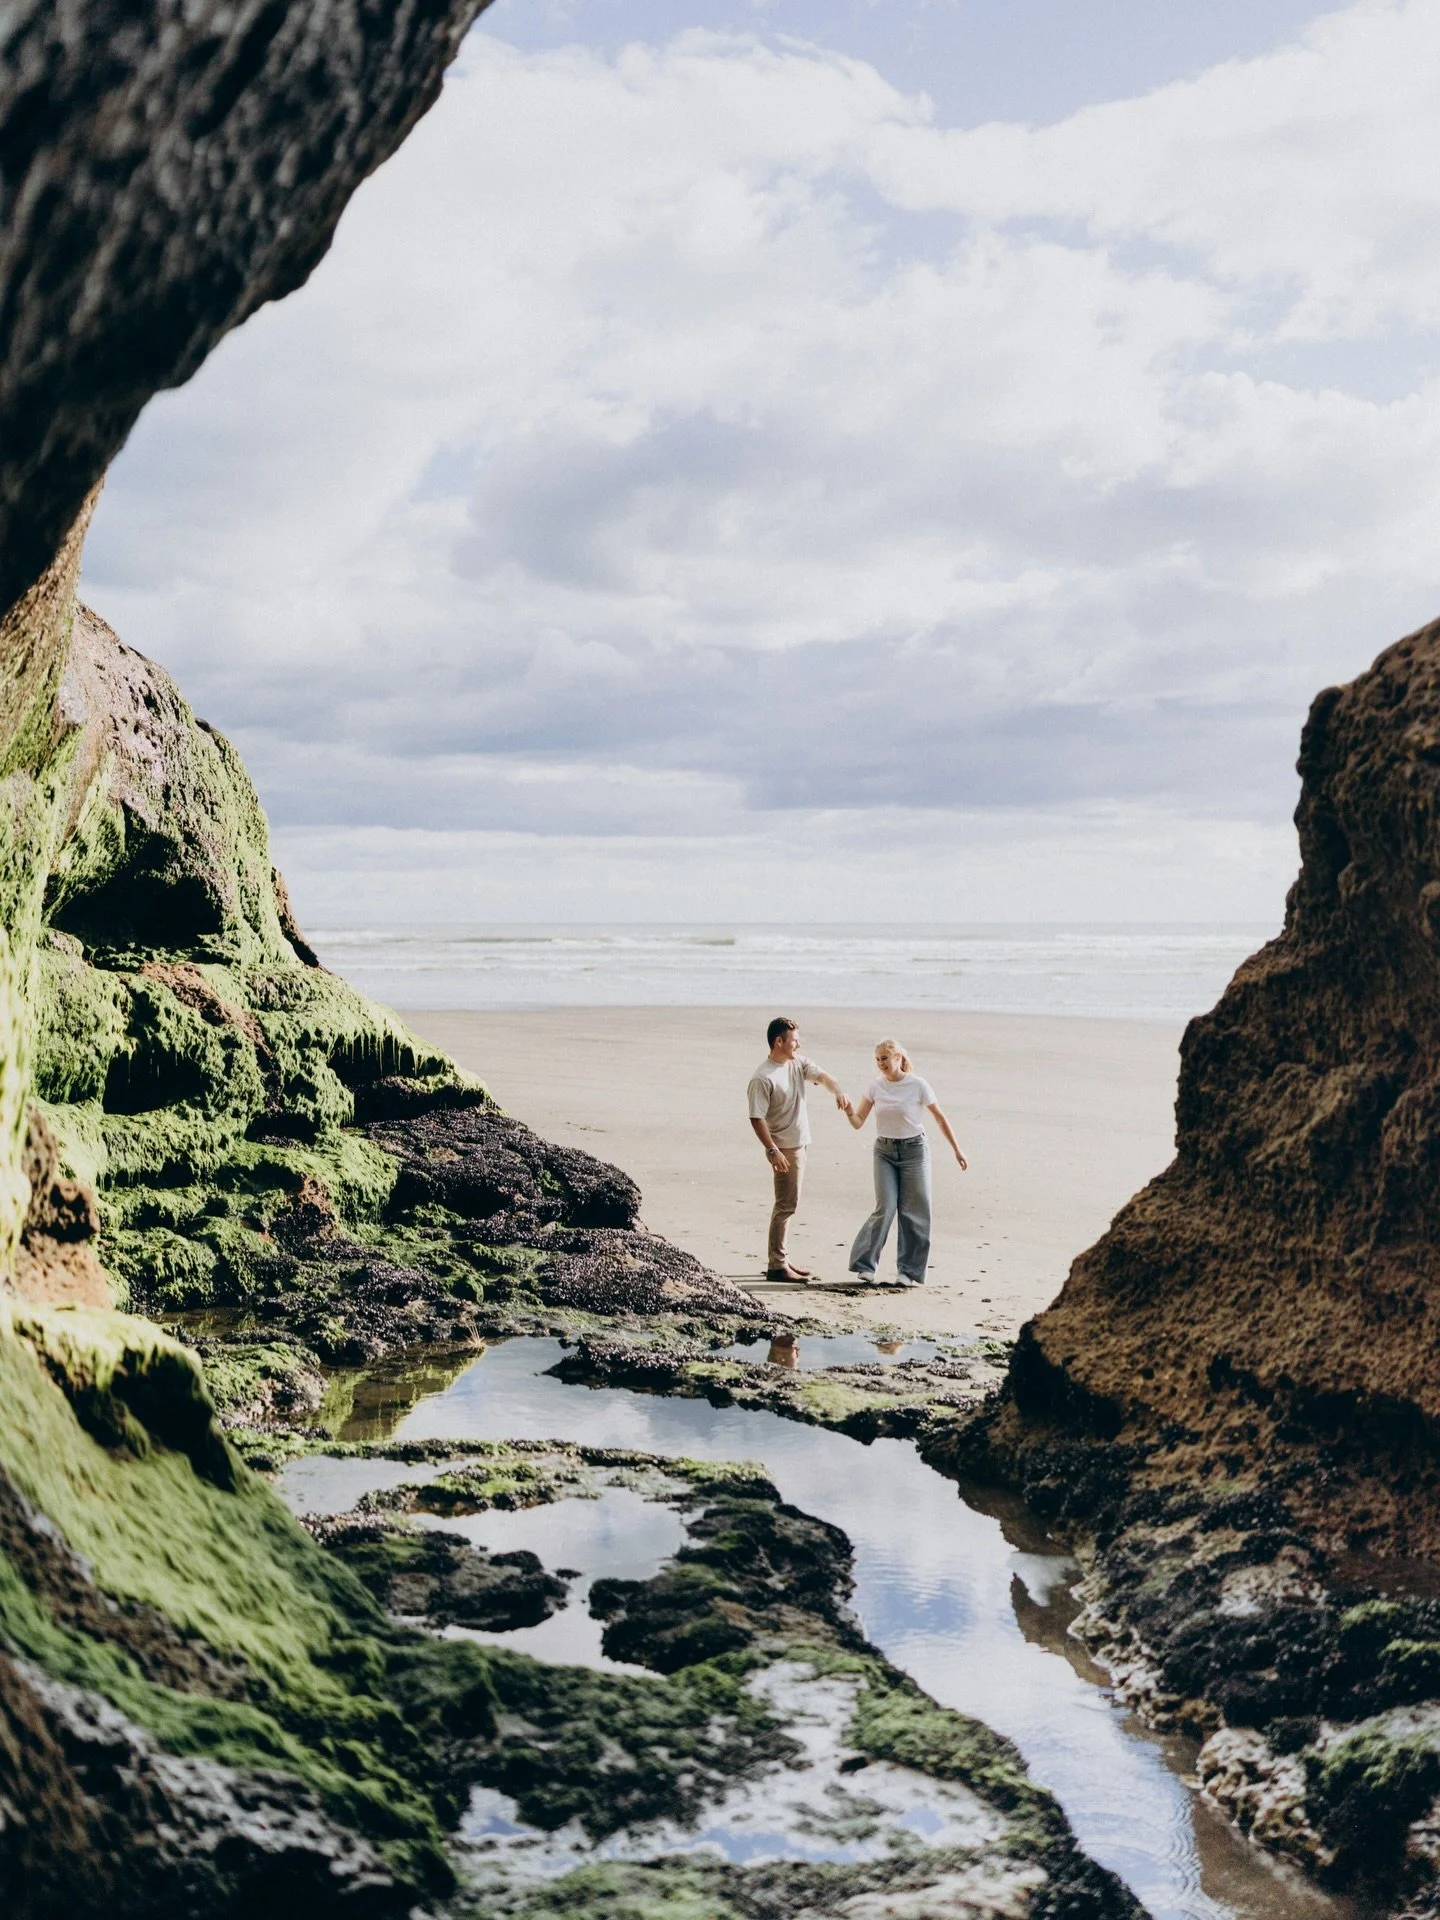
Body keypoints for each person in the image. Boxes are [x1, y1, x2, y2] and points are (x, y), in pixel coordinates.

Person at [845, 1038, 966, 1286]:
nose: (881, 1063)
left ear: (898, 1058)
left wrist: (957, 1149)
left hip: (915, 1151)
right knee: (885, 1207)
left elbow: (940, 1117)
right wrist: (847, 1108)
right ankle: (866, 1265)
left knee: (914, 1212)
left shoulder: (918, 1085)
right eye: (878, 1059)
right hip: (884, 1152)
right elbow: (858, 1122)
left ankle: (907, 1272)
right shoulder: (875, 1087)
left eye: (885, 1058)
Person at [747, 1017, 851, 1282]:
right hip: (783, 1148)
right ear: (778, 1041)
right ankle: (777, 1266)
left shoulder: (796, 1063)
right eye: (794, 1040)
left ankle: (781, 1259)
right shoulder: (762, 1077)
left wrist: (837, 1091)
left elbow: (825, 1077)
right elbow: (756, 1118)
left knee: (789, 1204)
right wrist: (772, 1150)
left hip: (800, 1143)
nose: (798, 1043)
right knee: (786, 1205)